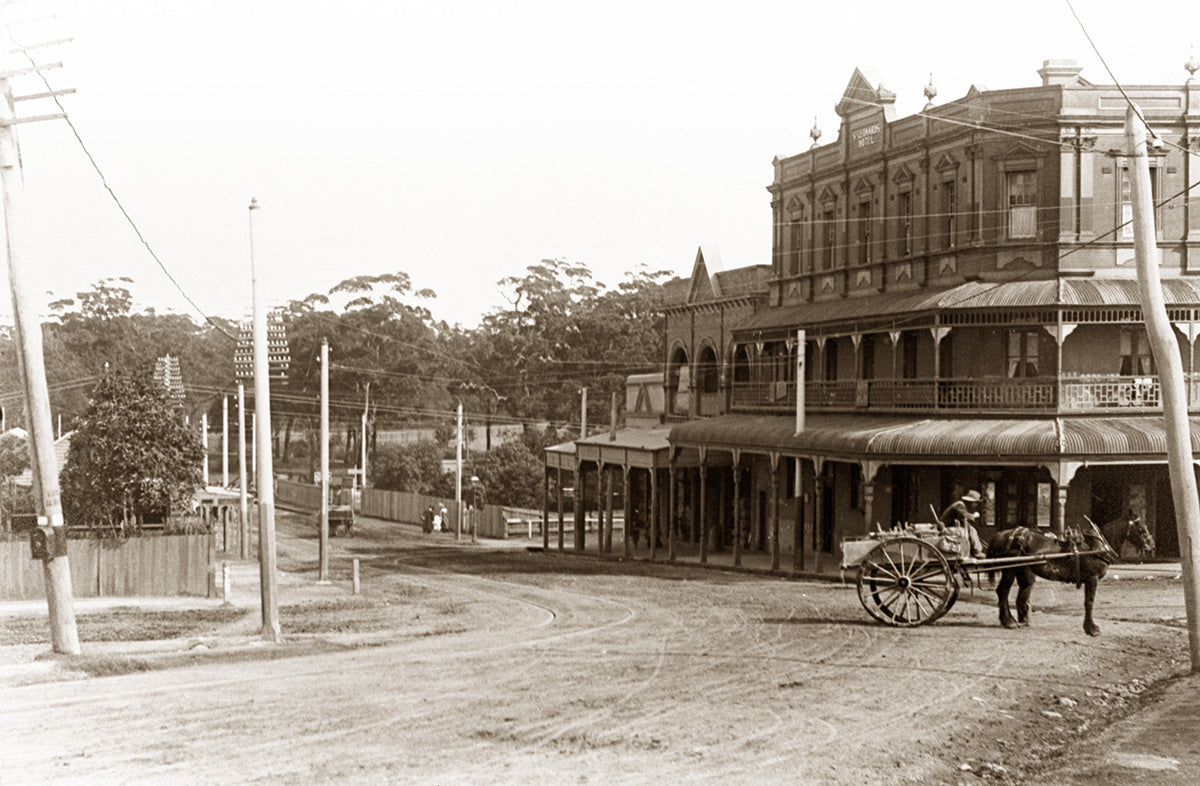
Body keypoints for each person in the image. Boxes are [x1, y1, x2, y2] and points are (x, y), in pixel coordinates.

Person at [940, 489, 986, 559]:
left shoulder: (961, 506)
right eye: (975, 502)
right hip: (946, 528)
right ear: (970, 502)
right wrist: (974, 515)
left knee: (970, 528)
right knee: (972, 530)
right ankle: (977, 551)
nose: (976, 505)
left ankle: (974, 549)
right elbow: (964, 515)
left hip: (950, 526)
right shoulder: (959, 505)